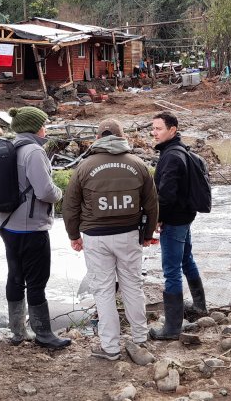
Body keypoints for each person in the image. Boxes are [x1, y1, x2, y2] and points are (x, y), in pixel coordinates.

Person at [63, 119, 159, 361]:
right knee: (133, 286)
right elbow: (152, 205)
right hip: (129, 235)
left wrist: (73, 235)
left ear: (97, 138)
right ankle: (140, 338)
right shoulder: (138, 164)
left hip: (96, 237)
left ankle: (110, 347)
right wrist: (147, 235)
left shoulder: (84, 167)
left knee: (103, 291)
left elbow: (70, 205)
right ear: (122, 136)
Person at [0, 106, 71, 350]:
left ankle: (18, 332)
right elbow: (45, 192)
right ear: (35, 128)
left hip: (7, 225)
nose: (46, 128)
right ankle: (44, 334)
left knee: (15, 277)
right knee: (37, 281)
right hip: (32, 228)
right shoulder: (34, 152)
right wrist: (60, 193)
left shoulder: (11, 148)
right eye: (44, 124)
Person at [148, 111, 207, 340]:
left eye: (159, 128)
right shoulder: (179, 150)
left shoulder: (171, 156)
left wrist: (157, 219)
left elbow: (166, 195)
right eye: (153, 128)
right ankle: (200, 306)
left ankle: (172, 328)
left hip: (175, 219)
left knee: (171, 270)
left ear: (172, 130)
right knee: (186, 259)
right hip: (184, 216)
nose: (154, 133)